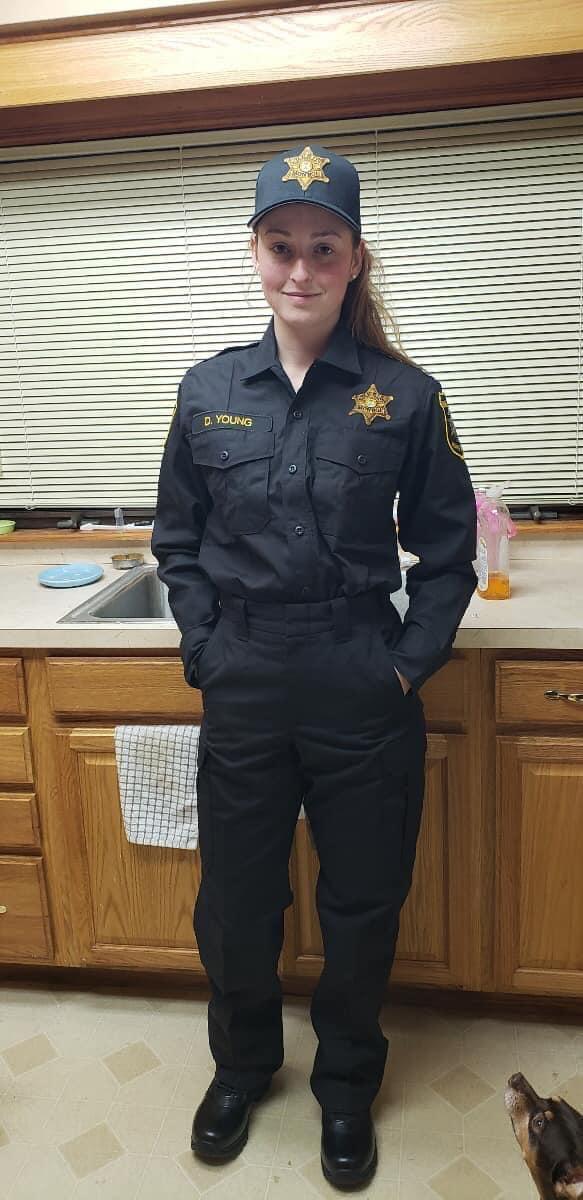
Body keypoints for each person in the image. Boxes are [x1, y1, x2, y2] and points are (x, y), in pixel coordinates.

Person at [151, 142, 478, 1191]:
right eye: (281, 245)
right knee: (236, 904)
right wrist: (206, 649)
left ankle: (345, 1086)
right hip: (245, 674)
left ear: (353, 259)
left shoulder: (406, 396)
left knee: (363, 902)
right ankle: (242, 1067)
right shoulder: (207, 390)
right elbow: (176, 544)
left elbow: (448, 555)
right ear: (255, 254)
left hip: (358, 675)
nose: (301, 268)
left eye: (323, 248)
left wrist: (403, 667)